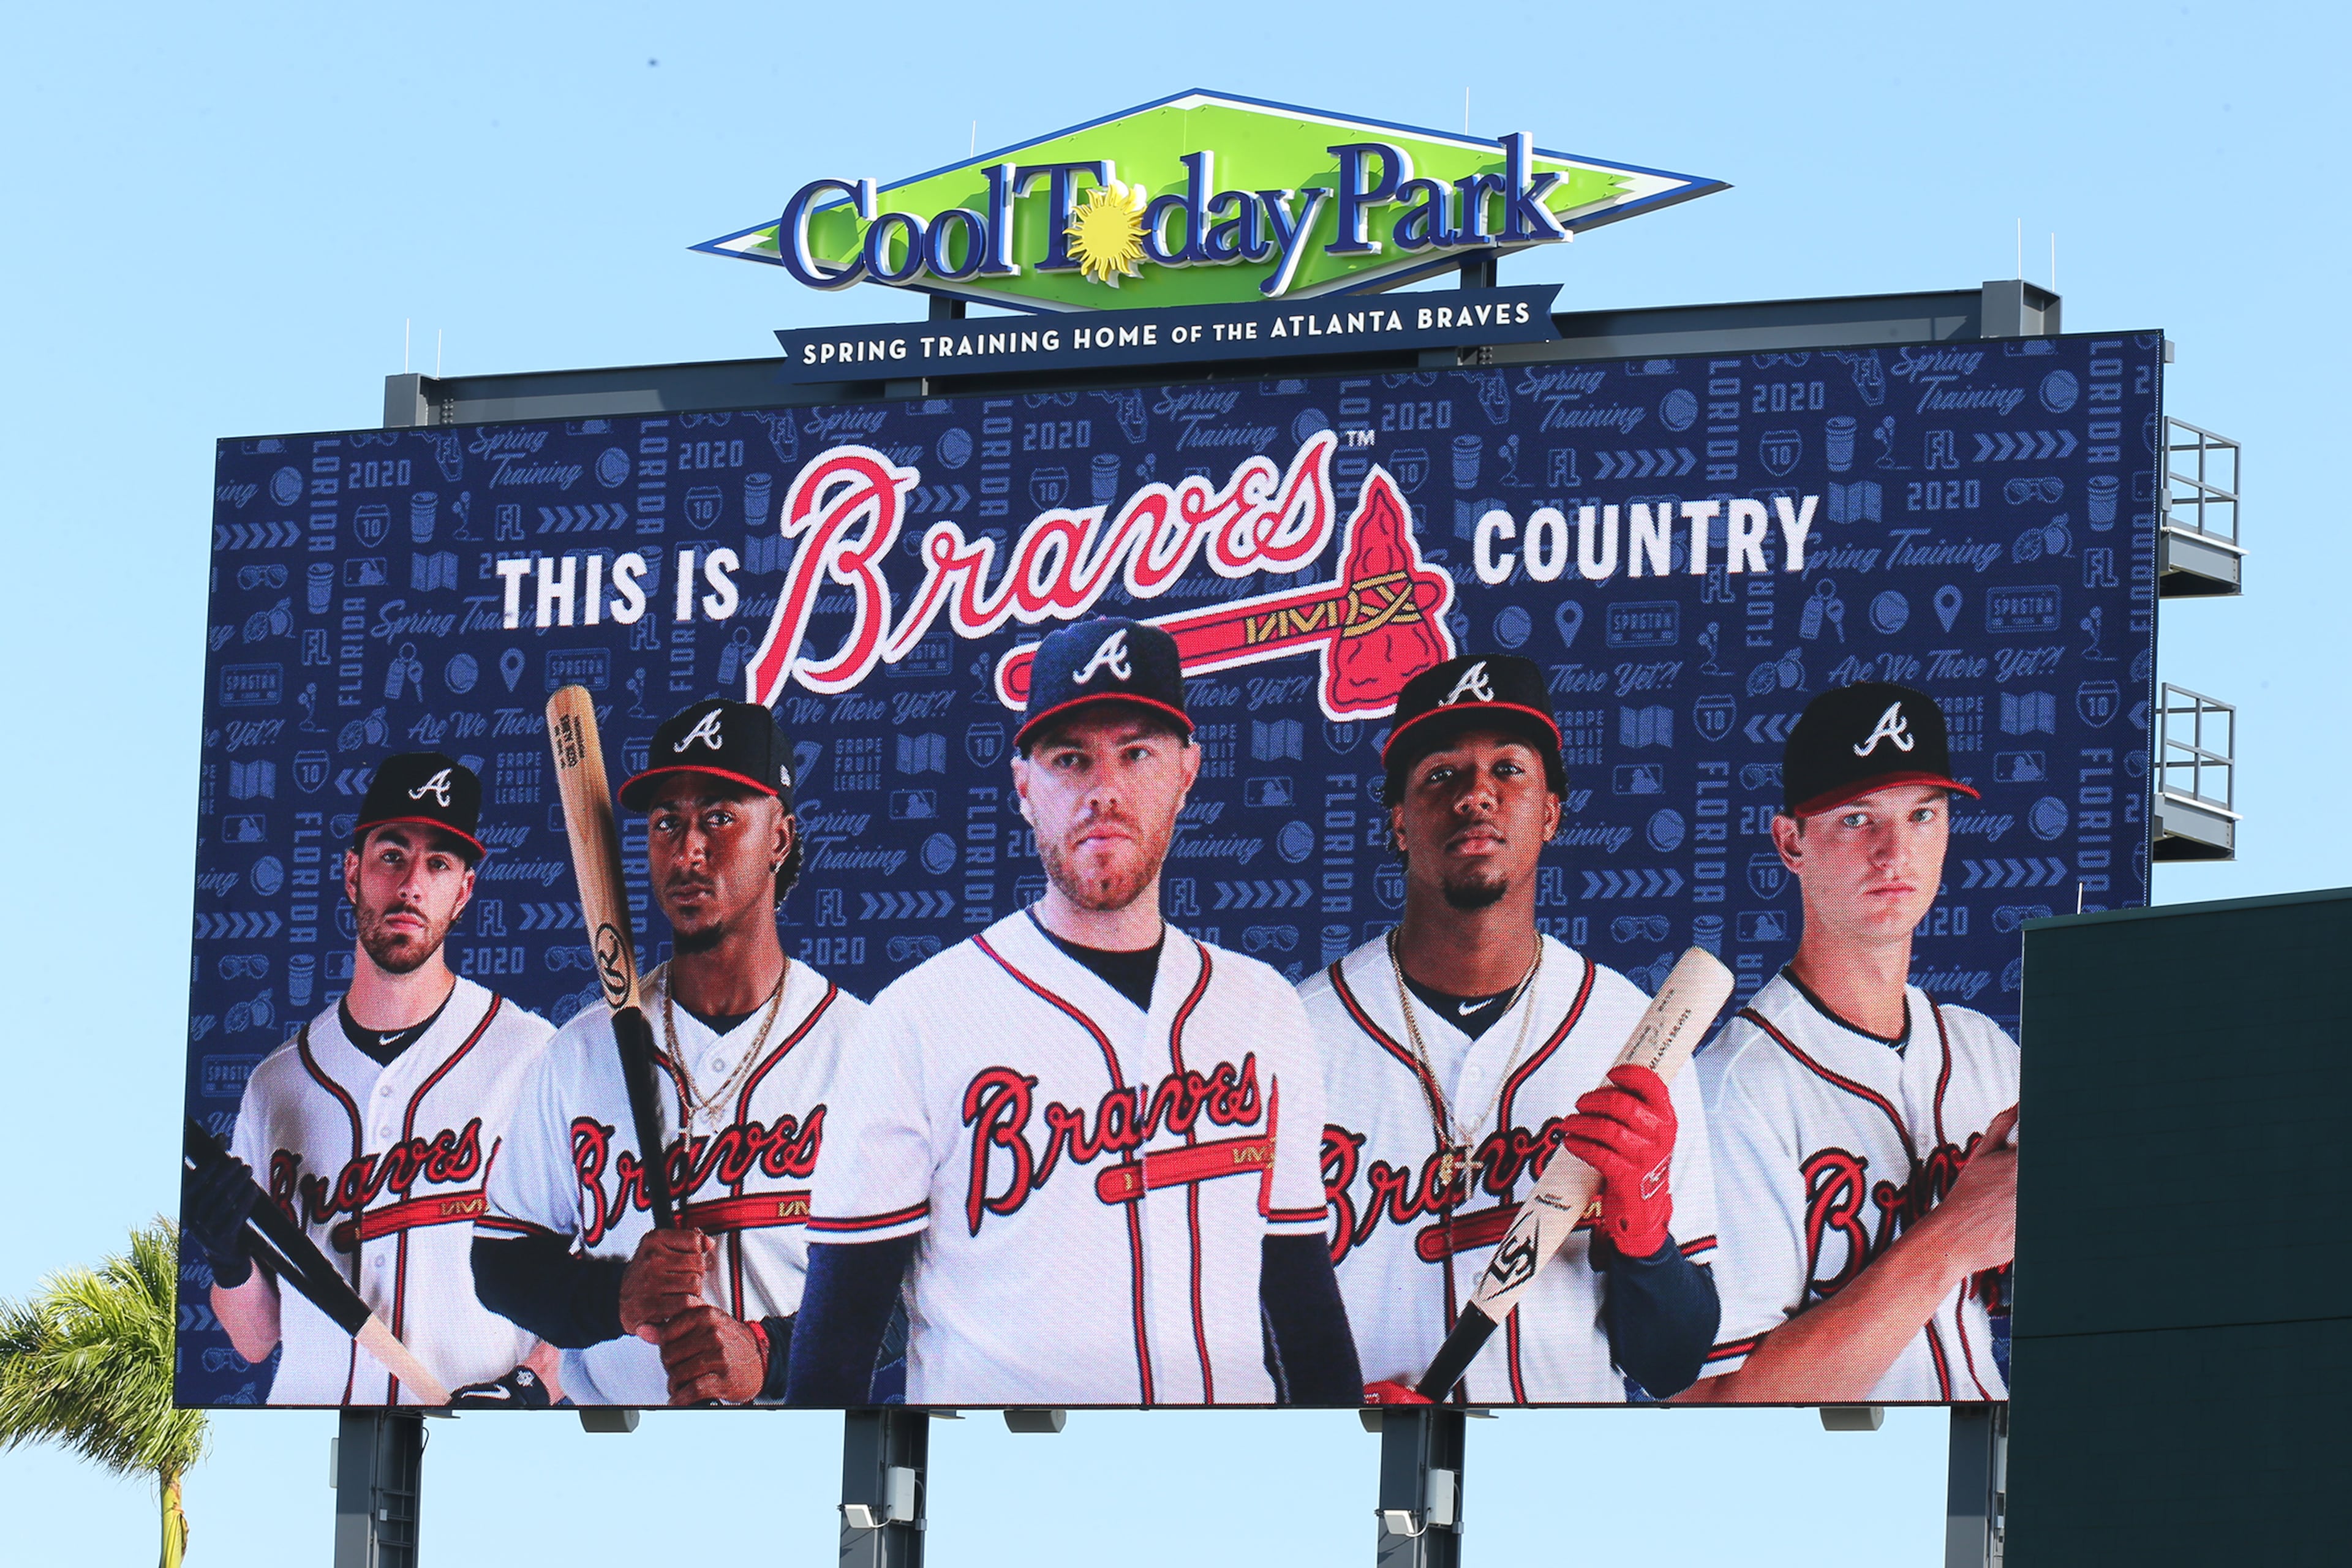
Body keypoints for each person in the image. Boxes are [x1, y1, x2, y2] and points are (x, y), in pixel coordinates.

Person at [788, 618, 1359, 1406]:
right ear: (1024, 785)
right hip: (1001, 1493)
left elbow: (1304, 1308)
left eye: (1137, 752)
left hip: (1236, 1492)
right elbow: (835, 1353)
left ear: (1188, 770)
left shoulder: (1262, 1007)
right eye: (1070, 759)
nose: (1104, 790)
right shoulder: (918, 1019)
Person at [1303, 654, 1721, 1404]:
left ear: (1553, 812)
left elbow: (1671, 1364)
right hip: (1354, 1472)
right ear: (1397, 821)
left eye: (1509, 770)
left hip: (1558, 1494)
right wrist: (1324, 1412)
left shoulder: (1627, 1032)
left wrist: (1644, 1225)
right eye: (1440, 775)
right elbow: (1235, 1321)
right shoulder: (1298, 1034)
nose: (1476, 796)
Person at [472, 699, 862, 1406]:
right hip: (619, 1447)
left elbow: (917, 1283)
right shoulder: (581, 1052)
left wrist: (767, 1353)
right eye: (665, 823)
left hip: (806, 1437)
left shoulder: (865, 1049)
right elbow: (500, 1264)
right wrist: (613, 1294)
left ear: (779, 835)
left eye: (719, 817)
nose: (688, 851)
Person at [184, 753, 558, 1405]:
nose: (412, 883)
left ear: (463, 890)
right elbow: (255, 1338)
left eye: (439, 863)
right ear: (353, 872)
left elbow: (598, 1281)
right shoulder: (276, 1083)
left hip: (472, 1451)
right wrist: (227, 1257)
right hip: (308, 1443)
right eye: (392, 854)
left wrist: (528, 1390)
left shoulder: (531, 1056)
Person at [1681, 682, 2018, 1404]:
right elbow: (1718, 1405)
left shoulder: (1986, 1053)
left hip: (1992, 1469)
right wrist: (1952, 1236)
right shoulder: (1731, 1091)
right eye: (1857, 819)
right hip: (1839, 1493)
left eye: (1923, 815)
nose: (1895, 852)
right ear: (1791, 841)